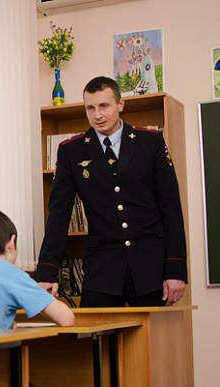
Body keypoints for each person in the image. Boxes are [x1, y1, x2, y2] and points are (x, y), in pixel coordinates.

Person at [34, 76, 187, 307]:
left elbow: (171, 209)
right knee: (93, 341)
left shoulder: (150, 142)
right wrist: (46, 272)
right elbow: (58, 214)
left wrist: (175, 268)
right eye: (90, 108)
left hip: (150, 267)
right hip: (102, 270)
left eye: (104, 106)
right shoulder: (71, 151)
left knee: (153, 342)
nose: (97, 115)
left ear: (120, 105)